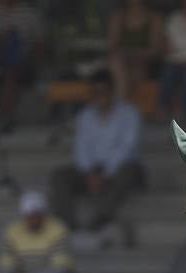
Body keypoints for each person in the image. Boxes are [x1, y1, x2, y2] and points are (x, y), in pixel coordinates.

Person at [49, 70, 142, 235]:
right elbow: (81, 148)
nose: (100, 96)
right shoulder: (85, 116)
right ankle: (68, 223)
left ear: (112, 91)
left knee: (128, 171)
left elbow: (127, 148)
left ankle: (101, 216)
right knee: (59, 175)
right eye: (96, 92)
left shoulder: (129, 114)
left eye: (104, 91)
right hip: (92, 172)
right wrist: (89, 173)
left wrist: (105, 173)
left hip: (118, 169)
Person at [0, 0, 42, 130]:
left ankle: (6, 117)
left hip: (22, 63)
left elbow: (40, 43)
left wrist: (31, 58)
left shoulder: (29, 13)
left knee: (11, 72)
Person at [107, 0, 161, 100]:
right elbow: (113, 47)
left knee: (125, 74)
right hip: (122, 64)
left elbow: (155, 50)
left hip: (144, 65)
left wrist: (135, 54)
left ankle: (118, 109)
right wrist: (126, 54)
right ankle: (121, 108)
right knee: (117, 65)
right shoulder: (118, 17)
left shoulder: (154, 18)